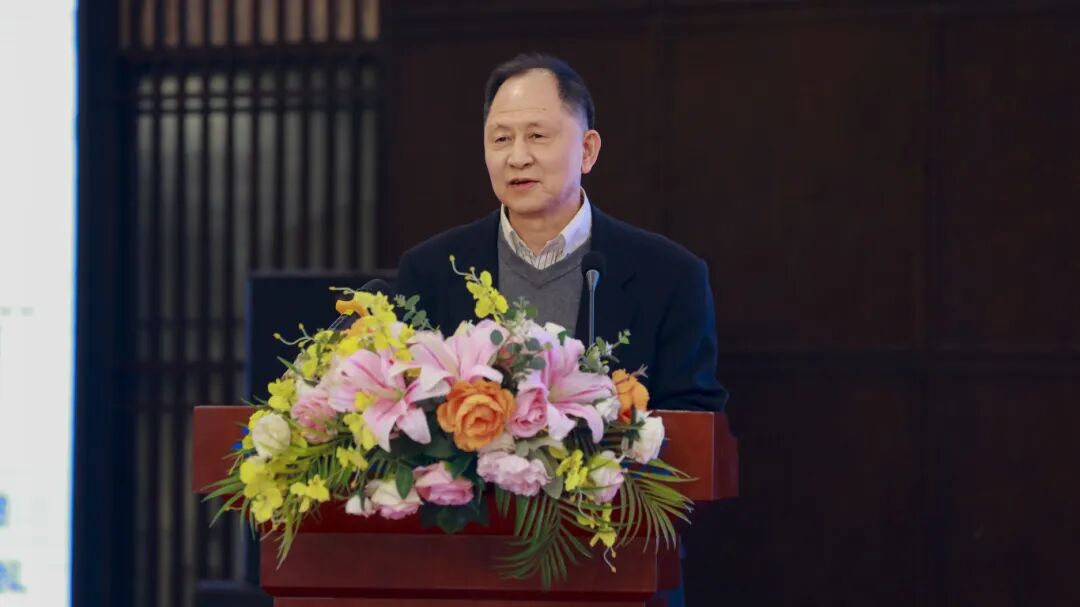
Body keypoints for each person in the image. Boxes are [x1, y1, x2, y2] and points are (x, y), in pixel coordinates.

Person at [395, 53, 728, 416]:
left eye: (537, 136)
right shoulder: (432, 272)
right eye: (501, 139)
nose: (517, 157)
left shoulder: (670, 276)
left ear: (587, 150)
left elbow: (694, 424)